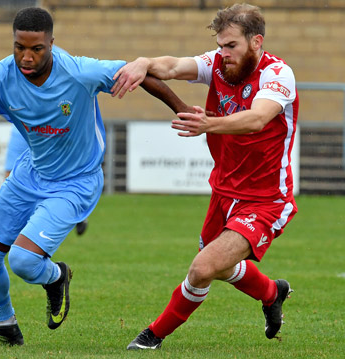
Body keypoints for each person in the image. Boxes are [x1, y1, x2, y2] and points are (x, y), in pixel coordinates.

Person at [0, 7, 193, 347]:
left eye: (36, 49)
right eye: (19, 47)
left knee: (23, 260)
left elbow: (141, 74)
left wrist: (181, 108)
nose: (26, 56)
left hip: (76, 181)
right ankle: (7, 330)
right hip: (31, 173)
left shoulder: (78, 71)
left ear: (51, 43)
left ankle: (56, 276)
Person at [111, 3, 299, 350]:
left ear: (256, 42)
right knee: (221, 267)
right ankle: (272, 293)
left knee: (201, 268)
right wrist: (142, 63)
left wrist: (207, 124)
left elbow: (256, 119)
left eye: (232, 46)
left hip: (266, 199)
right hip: (224, 191)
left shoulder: (277, 75)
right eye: (220, 45)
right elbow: (171, 66)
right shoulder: (217, 65)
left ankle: (152, 337)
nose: (223, 54)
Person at [4, 117, 89, 236]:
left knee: (57, 173)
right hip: (20, 127)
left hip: (46, 126)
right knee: (10, 174)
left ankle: (76, 209)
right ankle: (14, 221)